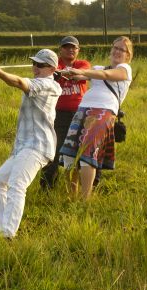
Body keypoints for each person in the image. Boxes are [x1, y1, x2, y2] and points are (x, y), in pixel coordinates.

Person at [0, 49, 62, 238]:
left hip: (37, 146)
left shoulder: (48, 85)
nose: (35, 67)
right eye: (34, 63)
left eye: (41, 65)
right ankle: (0, 229)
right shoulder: (40, 81)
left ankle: (7, 234)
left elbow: (19, 82)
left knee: (17, 185)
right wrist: (1, 73)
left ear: (52, 68)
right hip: (23, 146)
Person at [59, 36, 133, 200]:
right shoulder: (98, 67)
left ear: (128, 55)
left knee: (88, 154)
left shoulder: (125, 69)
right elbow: (79, 77)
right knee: (69, 154)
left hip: (103, 112)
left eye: (122, 49)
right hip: (83, 109)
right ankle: (72, 196)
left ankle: (85, 200)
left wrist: (82, 71)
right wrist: (66, 71)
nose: (117, 51)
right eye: (115, 47)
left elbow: (105, 75)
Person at [40, 36, 92, 189]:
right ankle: (48, 186)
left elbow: (84, 73)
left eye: (74, 47)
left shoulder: (82, 64)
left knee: (82, 151)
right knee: (53, 150)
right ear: (60, 50)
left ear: (78, 50)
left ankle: (87, 185)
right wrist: (55, 73)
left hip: (80, 114)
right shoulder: (54, 67)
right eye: (66, 47)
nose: (70, 49)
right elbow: (46, 75)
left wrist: (67, 73)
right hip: (57, 115)